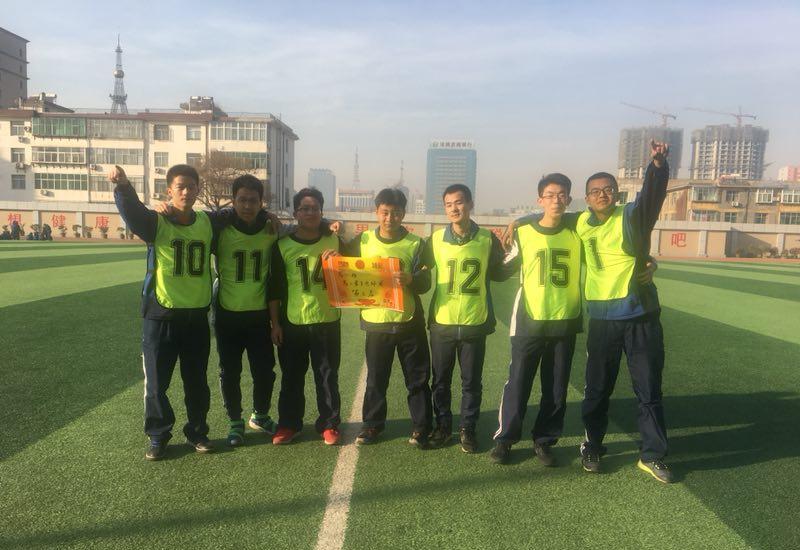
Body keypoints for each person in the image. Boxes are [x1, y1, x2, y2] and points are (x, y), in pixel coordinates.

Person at [577, 141, 673, 483]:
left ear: (617, 194)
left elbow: (652, 198)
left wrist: (657, 166)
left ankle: (653, 455)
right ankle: (592, 445)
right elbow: (551, 218)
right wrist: (520, 220)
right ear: (587, 199)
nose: (602, 195)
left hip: (639, 316)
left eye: (608, 189)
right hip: (603, 320)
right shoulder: (580, 223)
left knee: (648, 389)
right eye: (595, 191)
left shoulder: (631, 215)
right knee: (597, 389)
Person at [111, 164, 214, 460]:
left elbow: (243, 216)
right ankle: (158, 436)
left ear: (198, 190)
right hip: (160, 316)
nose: (186, 191)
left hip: (196, 317)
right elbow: (133, 214)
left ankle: (198, 432)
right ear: (169, 191)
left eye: (191, 186)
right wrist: (123, 186)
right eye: (180, 187)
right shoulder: (156, 221)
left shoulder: (209, 222)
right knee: (157, 384)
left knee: (197, 383)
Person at [490, 174, 582, 466]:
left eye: (562, 195)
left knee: (556, 388)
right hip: (528, 320)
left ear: (569, 199)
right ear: (539, 199)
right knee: (518, 382)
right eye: (550, 195)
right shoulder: (524, 233)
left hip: (564, 320)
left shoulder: (579, 230)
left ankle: (544, 440)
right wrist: (493, 249)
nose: (556, 200)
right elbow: (502, 270)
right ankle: (505, 439)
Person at [334, 188, 432, 448]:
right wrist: (330, 230)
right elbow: (342, 260)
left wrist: (411, 279)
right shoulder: (363, 240)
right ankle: (372, 425)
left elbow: (426, 281)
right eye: (385, 212)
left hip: (409, 321)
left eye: (396, 213)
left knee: (418, 379)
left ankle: (421, 427)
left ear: (404, 214)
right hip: (377, 322)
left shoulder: (416, 244)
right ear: (376, 212)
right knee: (376, 379)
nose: (390, 218)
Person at [420, 183, 509, 453]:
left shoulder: (487, 239)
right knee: (440, 380)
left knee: (471, 382)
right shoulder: (435, 239)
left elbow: (500, 272)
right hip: (443, 321)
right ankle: (443, 425)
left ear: (470, 204)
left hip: (474, 321)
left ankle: (467, 428)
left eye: (459, 202)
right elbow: (419, 269)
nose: (454, 208)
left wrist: (518, 253)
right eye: (448, 204)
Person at [268, 188, 343, 446]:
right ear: (296, 213)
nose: (310, 213)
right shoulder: (282, 246)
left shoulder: (334, 241)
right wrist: (275, 324)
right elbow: (274, 289)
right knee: (291, 377)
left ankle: (329, 424)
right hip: (293, 322)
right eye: (305, 208)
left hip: (327, 320)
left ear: (321, 212)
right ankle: (289, 424)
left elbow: (353, 272)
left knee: (327, 376)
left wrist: (341, 260)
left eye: (315, 209)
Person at [210, 175, 280, 446]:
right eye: (242, 200)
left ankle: (260, 415)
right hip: (227, 314)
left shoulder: (270, 229)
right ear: (233, 201)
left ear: (261, 202)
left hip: (258, 314)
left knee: (264, 370)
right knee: (230, 371)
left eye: (253, 200)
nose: (247, 206)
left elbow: (301, 226)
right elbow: (193, 221)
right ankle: (234, 421)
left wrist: (329, 224)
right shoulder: (220, 228)